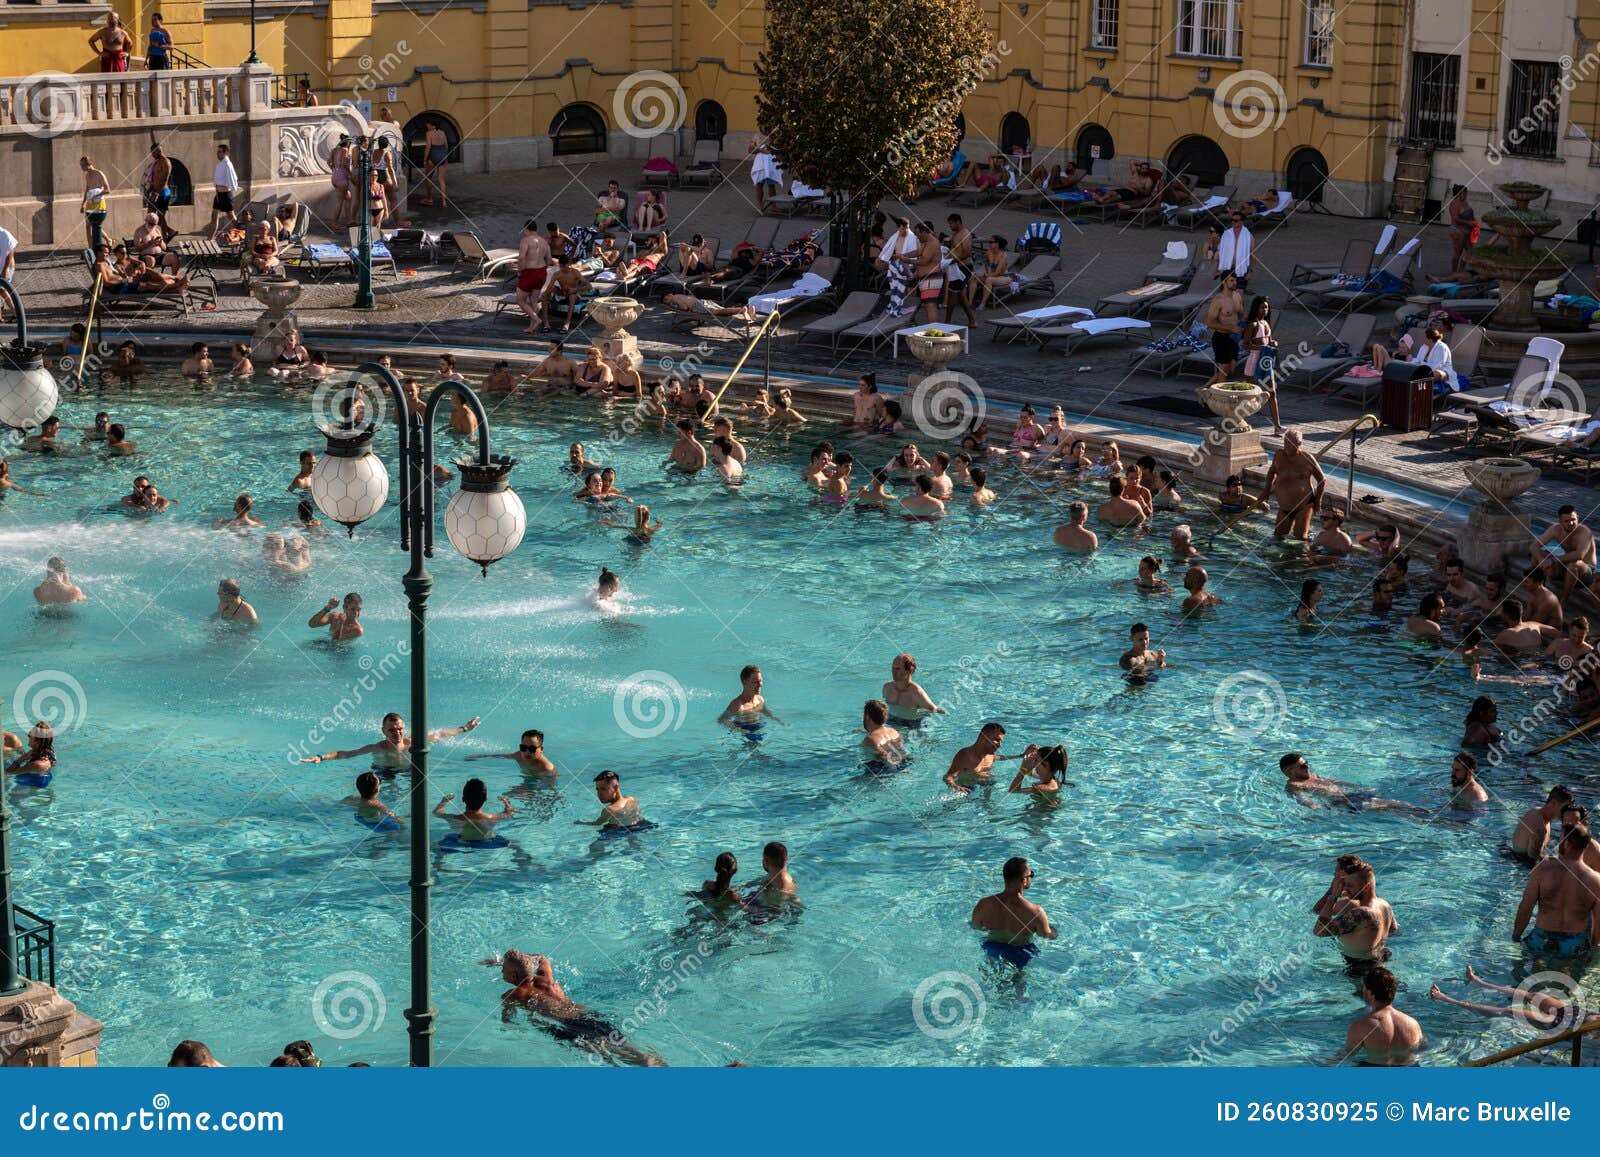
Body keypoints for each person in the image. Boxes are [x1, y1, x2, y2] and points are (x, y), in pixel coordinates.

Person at [495, 949, 664, 1066]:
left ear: (513, 975)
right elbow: (541, 958)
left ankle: (643, 1062)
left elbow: (507, 1019)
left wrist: (508, 1027)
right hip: (588, 1014)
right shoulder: (545, 977)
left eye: (502, 969)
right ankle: (646, 1058)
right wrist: (520, 962)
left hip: (570, 1025)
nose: (501, 971)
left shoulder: (515, 994)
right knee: (619, 1042)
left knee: (609, 1053)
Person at [1430, 963, 1599, 1033]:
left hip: (1567, 1025)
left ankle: (1447, 999)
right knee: (1532, 995)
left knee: (1510, 1011)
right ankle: (1480, 983)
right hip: (1578, 1013)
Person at [1513, 825, 1600, 956]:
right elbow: (1598, 922)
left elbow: (1526, 907)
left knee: (1536, 972)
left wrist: (1516, 937)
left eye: (1561, 838)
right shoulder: (1595, 880)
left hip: (1541, 939)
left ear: (1567, 843)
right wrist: (1593, 947)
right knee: (1569, 974)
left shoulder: (1542, 869)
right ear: (1586, 845)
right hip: (1574, 944)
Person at [301, 712, 480, 774]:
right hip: (384, 771)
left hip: (409, 770)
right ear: (383, 731)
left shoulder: (413, 742)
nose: (398, 733)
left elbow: (440, 734)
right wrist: (320, 757)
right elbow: (346, 754)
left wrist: (464, 728)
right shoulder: (377, 747)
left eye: (400, 728)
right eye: (392, 730)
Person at [1312, 859, 1398, 976]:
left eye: (1350, 885)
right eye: (1344, 884)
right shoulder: (1384, 905)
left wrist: (1333, 896)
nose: (1345, 889)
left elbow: (1319, 931)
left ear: (1366, 888)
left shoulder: (1361, 914)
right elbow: (1393, 931)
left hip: (1359, 970)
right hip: (1379, 961)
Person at [969, 857, 1058, 968]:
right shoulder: (1036, 912)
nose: (1031, 878)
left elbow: (976, 926)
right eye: (1031, 875)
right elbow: (1046, 935)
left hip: (992, 948)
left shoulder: (984, 904)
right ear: (1024, 880)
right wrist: (1054, 930)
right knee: (1018, 981)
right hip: (1020, 952)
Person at [1279, 752, 1421, 812]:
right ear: (1290, 772)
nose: (1308, 767)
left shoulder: (1312, 775)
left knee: (1398, 805)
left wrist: (1355, 787)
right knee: (1394, 806)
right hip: (1345, 804)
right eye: (1303, 766)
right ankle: (1430, 818)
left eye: (1307, 763)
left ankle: (1426, 815)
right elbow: (1302, 800)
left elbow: (1332, 781)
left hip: (1352, 796)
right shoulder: (1294, 785)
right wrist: (1317, 809)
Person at [1252, 428, 1325, 540]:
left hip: (1304, 506)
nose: (1286, 446)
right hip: (1284, 507)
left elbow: (1322, 479)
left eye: (1290, 444)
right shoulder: (1279, 455)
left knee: (1300, 539)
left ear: (1299, 444)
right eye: (1285, 442)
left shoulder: (1307, 459)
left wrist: (1318, 501)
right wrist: (1266, 491)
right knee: (1278, 536)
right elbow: (1271, 472)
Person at [1342, 967, 1423, 1066]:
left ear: (1370, 992)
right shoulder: (1413, 1023)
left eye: (1364, 987)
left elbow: (1345, 1055)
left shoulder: (1361, 1026)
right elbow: (1423, 1048)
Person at [1531, 505, 1596, 605]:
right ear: (1560, 522)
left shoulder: (1585, 532)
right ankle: (1538, 591)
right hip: (1565, 566)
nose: (1571, 523)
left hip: (1585, 573)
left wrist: (1553, 560)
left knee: (1573, 564)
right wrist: (1541, 559)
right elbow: (1534, 545)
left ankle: (1563, 601)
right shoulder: (1555, 529)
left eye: (1573, 519)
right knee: (1539, 554)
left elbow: (1580, 555)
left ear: (1578, 518)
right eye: (1566, 521)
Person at [1240, 295, 1284, 435]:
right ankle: (1237, 420)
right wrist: (1262, 348)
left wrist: (1273, 343)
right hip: (1253, 363)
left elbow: (1269, 340)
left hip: (1266, 363)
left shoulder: (1266, 323)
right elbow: (1245, 345)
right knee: (1251, 395)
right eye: (1262, 307)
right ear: (1256, 308)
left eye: (1266, 307)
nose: (1265, 310)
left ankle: (1277, 427)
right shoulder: (1253, 325)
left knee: (1272, 394)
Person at [434, 778, 514, 846]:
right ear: (485, 799)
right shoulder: (492, 818)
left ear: (463, 799)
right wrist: (506, 802)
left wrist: (444, 801)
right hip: (488, 842)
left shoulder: (454, 818)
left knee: (437, 846)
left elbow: (437, 812)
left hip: (461, 842)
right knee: (514, 844)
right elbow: (509, 813)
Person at [1511, 785, 1575, 865]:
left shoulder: (1536, 811)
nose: (1567, 812)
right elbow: (1534, 861)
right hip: (1519, 864)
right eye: (1565, 808)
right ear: (1553, 803)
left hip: (1513, 855)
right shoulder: (1540, 827)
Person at [1201, 272, 1244, 387]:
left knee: (1231, 370)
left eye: (1235, 280)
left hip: (1233, 338)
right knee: (1224, 369)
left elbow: (1240, 315)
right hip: (1221, 338)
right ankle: (1219, 398)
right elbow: (1210, 323)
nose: (1234, 283)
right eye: (1231, 280)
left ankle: (1204, 389)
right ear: (1223, 282)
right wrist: (1230, 327)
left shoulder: (1237, 296)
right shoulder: (1218, 300)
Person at [944, 721, 1005, 794]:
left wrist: (1019, 756)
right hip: (967, 788)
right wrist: (956, 787)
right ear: (983, 737)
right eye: (997, 740)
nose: (1000, 745)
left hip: (986, 786)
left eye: (1001, 741)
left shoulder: (990, 754)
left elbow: (998, 757)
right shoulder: (965, 755)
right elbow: (948, 777)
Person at [514, 219, 551, 334]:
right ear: (536, 229)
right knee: (534, 300)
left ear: (526, 229)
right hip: (542, 272)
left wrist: (520, 270)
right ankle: (532, 327)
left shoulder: (525, 240)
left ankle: (536, 319)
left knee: (520, 300)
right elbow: (549, 260)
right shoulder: (544, 242)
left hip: (530, 272)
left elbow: (521, 258)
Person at [466, 729, 557, 776]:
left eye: (532, 749)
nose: (527, 752)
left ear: (541, 749)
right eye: (523, 747)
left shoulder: (547, 768)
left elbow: (550, 790)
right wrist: (481, 756)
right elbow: (502, 756)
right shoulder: (519, 755)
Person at [575, 769, 645, 830]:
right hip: (642, 826)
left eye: (603, 789)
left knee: (595, 845)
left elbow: (597, 824)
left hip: (620, 832)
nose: (599, 793)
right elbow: (636, 817)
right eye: (597, 789)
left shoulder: (609, 810)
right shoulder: (632, 799)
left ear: (615, 787)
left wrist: (581, 823)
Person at [719, 664, 779, 732]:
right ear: (745, 682)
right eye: (755, 682)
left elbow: (765, 711)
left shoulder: (759, 699)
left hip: (758, 726)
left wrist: (775, 718)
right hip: (745, 730)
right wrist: (740, 730)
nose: (760, 685)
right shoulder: (738, 705)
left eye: (760, 681)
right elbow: (722, 720)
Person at [860, 699, 906, 764]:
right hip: (906, 760)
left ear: (867, 717)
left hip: (886, 767)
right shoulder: (894, 731)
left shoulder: (870, 739)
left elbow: (884, 757)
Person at [1216, 210, 1253, 288]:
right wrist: (1217, 268)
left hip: (1241, 268)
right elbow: (1220, 252)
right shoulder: (1226, 234)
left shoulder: (1249, 237)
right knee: (1226, 291)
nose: (1233, 222)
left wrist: (1250, 272)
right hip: (1227, 268)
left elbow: (1252, 255)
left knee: (1239, 291)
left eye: (1235, 221)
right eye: (1232, 220)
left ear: (1242, 222)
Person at [208, 143, 238, 238]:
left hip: (225, 195)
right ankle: (211, 237)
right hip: (218, 195)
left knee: (231, 217)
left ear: (225, 153)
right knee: (214, 216)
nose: (217, 153)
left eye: (220, 152)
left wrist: (232, 188)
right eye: (217, 152)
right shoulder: (220, 165)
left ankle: (241, 233)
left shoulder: (227, 164)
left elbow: (233, 178)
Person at [1447, 184, 1477, 273]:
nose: (1466, 195)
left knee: (1471, 252)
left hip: (1467, 231)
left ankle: (1460, 271)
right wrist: (1468, 222)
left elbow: (1470, 214)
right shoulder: (1454, 203)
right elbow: (1455, 218)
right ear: (1461, 193)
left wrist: (1474, 222)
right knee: (1457, 253)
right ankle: (1454, 272)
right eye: (1465, 193)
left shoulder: (1464, 202)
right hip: (1458, 231)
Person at [420, 120, 449, 207]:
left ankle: (429, 199)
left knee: (428, 177)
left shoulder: (429, 133)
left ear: (433, 125)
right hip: (442, 156)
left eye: (428, 125)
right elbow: (446, 145)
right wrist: (444, 155)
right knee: (441, 179)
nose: (427, 127)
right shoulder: (443, 132)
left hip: (433, 156)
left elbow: (428, 147)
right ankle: (444, 202)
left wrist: (425, 159)